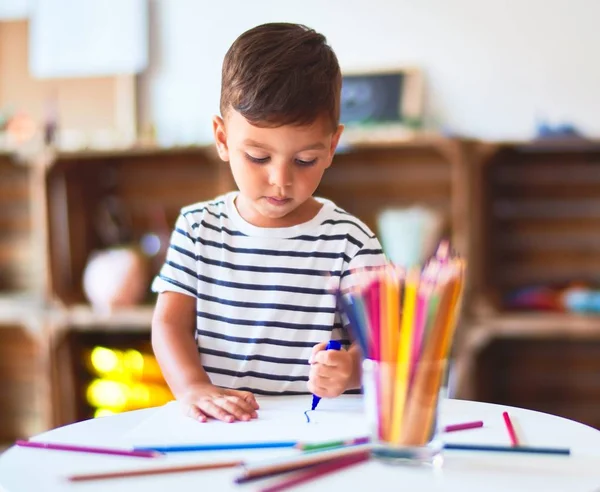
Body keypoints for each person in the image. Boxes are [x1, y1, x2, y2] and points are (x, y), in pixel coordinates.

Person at [151, 22, 387, 424]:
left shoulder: (352, 241)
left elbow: (384, 339)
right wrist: (193, 387)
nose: (281, 180)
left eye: (305, 160)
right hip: (221, 427)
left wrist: (349, 369)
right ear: (222, 139)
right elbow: (169, 325)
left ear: (331, 146)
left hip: (319, 428)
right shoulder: (197, 228)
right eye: (258, 157)